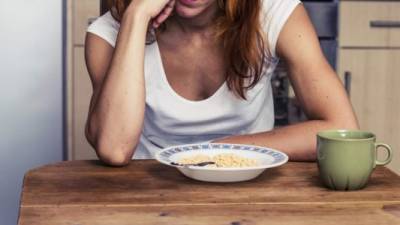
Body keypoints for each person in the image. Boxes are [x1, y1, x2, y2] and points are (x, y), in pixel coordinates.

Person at [85, 0, 358, 166]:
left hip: (246, 180)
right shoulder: (107, 33)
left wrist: (220, 150)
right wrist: (137, 15)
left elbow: (342, 128)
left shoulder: (275, 12)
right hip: (146, 188)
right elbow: (114, 149)